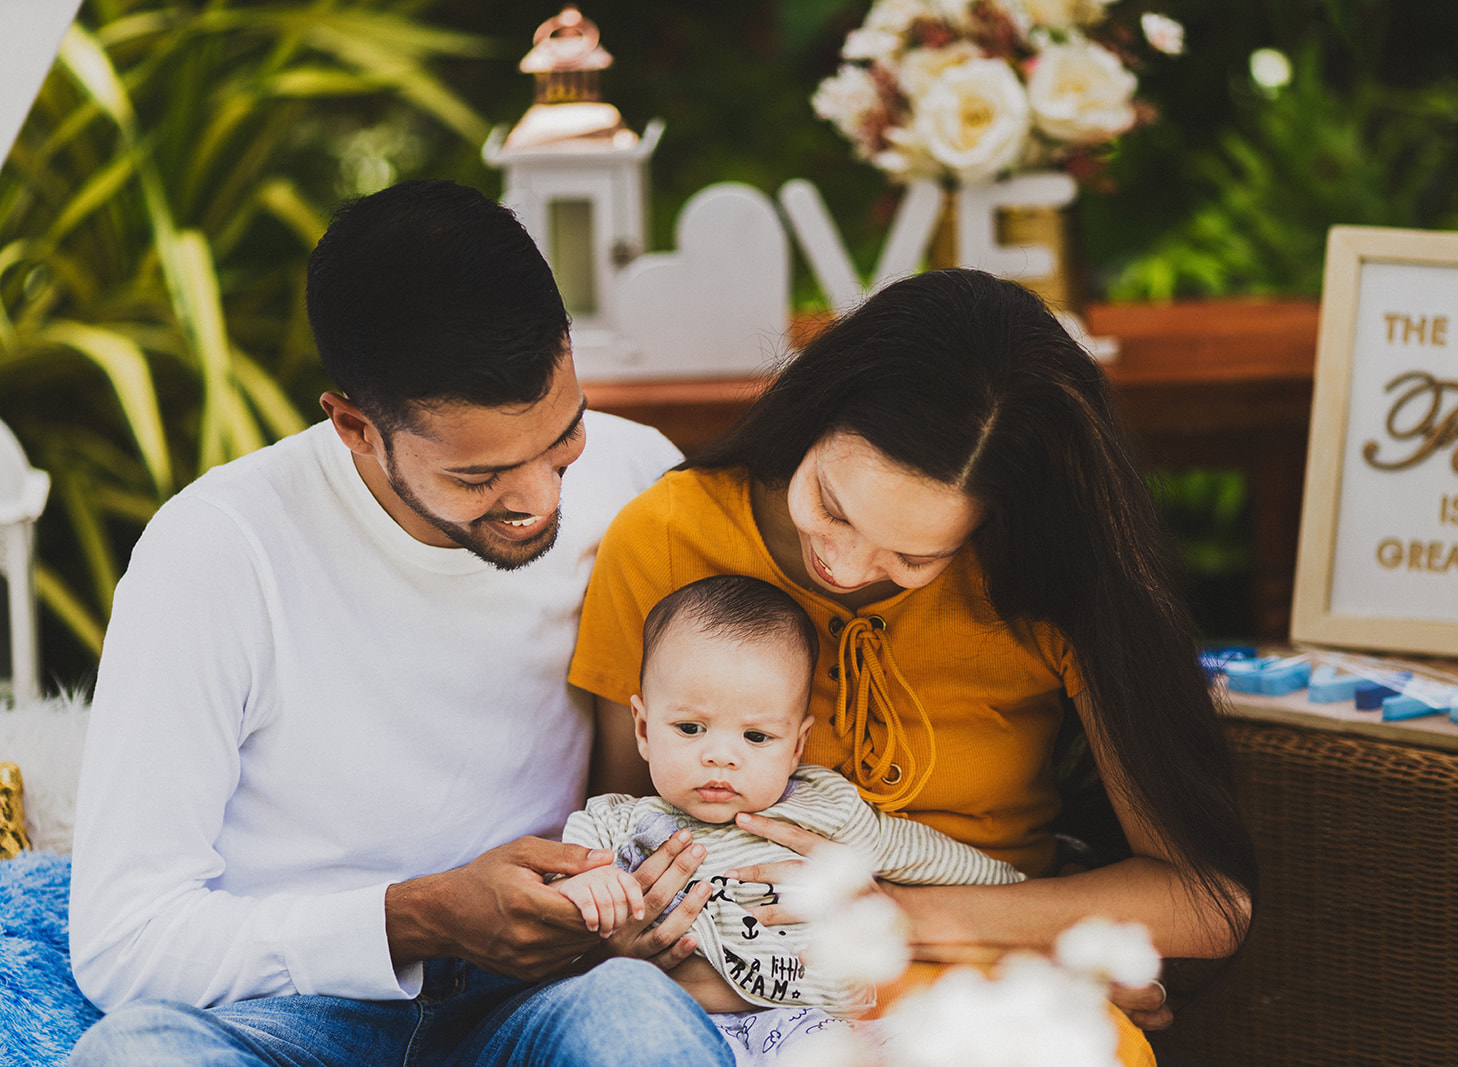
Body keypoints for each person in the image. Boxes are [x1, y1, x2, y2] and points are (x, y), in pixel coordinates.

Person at [68, 179, 734, 1067]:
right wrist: (413, 915)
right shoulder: (217, 550)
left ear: (568, 351)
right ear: (353, 427)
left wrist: (640, 912)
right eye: (478, 477)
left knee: (640, 1027)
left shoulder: (642, 477)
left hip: (550, 997)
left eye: (562, 439)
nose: (539, 500)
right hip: (292, 1016)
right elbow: (125, 941)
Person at [569, 268, 1260, 1064]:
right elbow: (628, 816)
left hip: (975, 974)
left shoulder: (1053, 576)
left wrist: (928, 925)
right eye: (831, 504)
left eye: (913, 556)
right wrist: (631, 926)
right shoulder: (667, 537)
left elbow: (1205, 901)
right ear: (817, 410)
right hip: (727, 991)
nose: (847, 562)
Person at [554, 574, 1024, 1059]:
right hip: (674, 1024)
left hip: (811, 1025)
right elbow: (559, 887)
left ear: (797, 745)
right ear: (645, 728)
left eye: (756, 737)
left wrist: (1013, 882)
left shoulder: (823, 809)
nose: (721, 756)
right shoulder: (612, 823)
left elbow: (921, 855)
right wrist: (590, 891)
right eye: (691, 728)